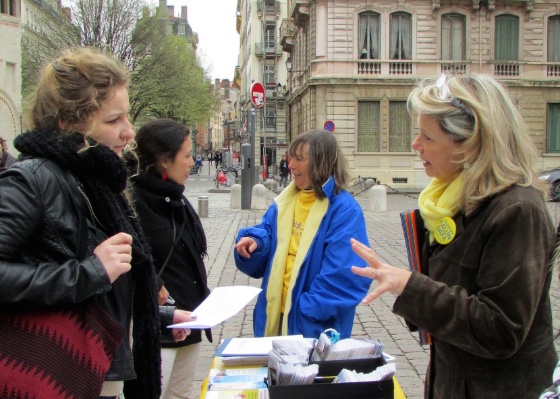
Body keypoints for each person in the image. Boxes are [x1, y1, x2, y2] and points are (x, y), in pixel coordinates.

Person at [0, 47, 192, 399]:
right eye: (113, 120)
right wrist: (88, 271)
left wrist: (156, 317)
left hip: (98, 374)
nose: (129, 132)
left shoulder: (97, 179)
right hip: (57, 376)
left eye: (127, 117)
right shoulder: (33, 179)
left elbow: (106, 293)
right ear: (66, 122)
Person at [351, 73, 558, 398]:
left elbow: (501, 329)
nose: (415, 145)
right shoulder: (447, 203)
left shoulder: (518, 211)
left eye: (427, 137)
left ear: (472, 142)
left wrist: (410, 286)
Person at [234, 130, 371, 339]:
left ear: (320, 163)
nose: (290, 165)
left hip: (311, 327)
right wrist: (255, 242)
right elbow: (268, 232)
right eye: (291, 158)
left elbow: (346, 276)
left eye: (299, 159)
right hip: (274, 316)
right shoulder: (285, 202)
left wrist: (303, 310)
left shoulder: (344, 210)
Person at [131, 119, 212, 399]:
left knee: (181, 395)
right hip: (159, 329)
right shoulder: (133, 201)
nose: (192, 162)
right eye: (187, 155)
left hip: (189, 321)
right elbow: (131, 261)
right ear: (164, 160)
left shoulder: (177, 197)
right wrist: (153, 282)